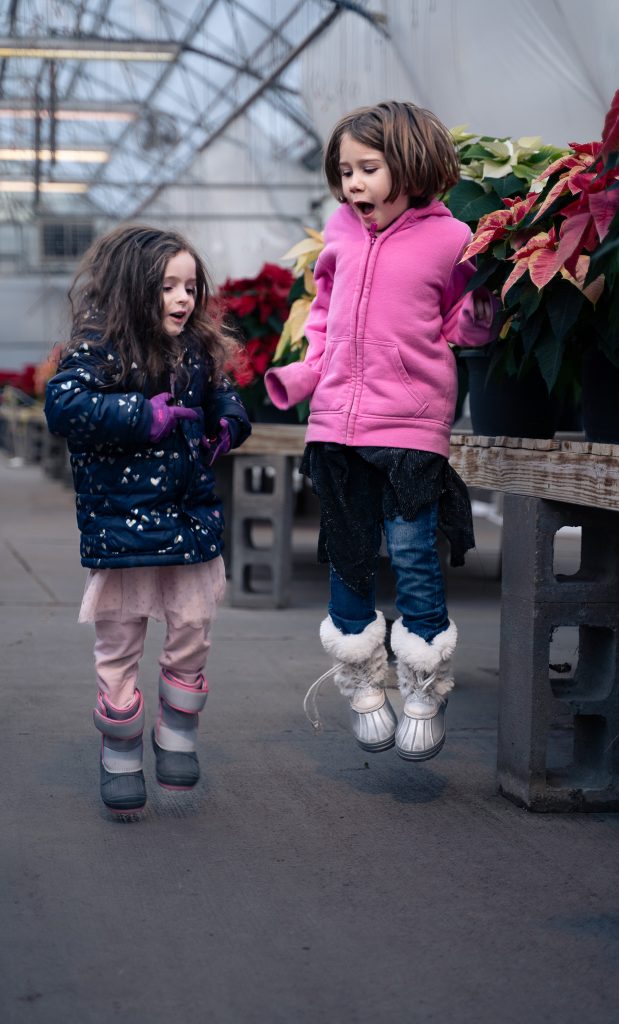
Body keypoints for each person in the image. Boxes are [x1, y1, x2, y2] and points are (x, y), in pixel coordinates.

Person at [265, 100, 497, 762]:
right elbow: (323, 316)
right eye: (344, 171)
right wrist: (306, 374)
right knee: (347, 554)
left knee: (413, 554)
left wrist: (482, 314)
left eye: (368, 168)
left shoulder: (451, 239)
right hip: (336, 421)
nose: (352, 185)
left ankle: (422, 684)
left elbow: (462, 323)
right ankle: (361, 682)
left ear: (412, 165)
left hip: (410, 425)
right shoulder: (339, 232)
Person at [45, 225, 251, 816]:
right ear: (132, 290)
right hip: (122, 527)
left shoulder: (199, 352)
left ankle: (177, 733)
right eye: (167, 287)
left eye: (190, 286)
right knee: (120, 638)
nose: (184, 299)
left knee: (192, 626)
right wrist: (142, 414)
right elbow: (65, 406)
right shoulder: (96, 350)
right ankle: (120, 749)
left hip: (189, 523)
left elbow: (226, 397)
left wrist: (227, 426)